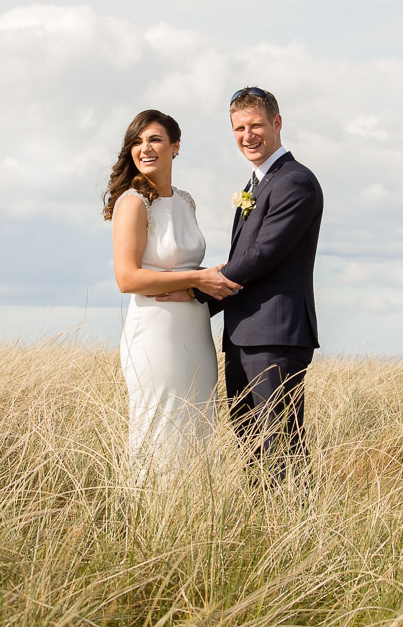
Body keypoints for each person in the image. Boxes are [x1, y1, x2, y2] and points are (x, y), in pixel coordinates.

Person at [160, 87, 323, 479]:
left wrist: (196, 291)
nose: (247, 136)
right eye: (238, 128)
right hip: (246, 334)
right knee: (251, 446)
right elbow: (247, 261)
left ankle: (290, 531)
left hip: (275, 336)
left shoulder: (294, 181)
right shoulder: (256, 184)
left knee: (278, 449)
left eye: (256, 126)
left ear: (277, 123)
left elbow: (263, 255)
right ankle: (265, 530)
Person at [103, 109, 240, 477]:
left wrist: (197, 278)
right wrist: (194, 280)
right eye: (137, 141)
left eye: (154, 139)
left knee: (196, 426)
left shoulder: (186, 201)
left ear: (175, 146)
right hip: (156, 333)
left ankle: (188, 520)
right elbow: (128, 279)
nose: (144, 148)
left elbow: (185, 265)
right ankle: (148, 517)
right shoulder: (132, 203)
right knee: (160, 426)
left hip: (194, 333)